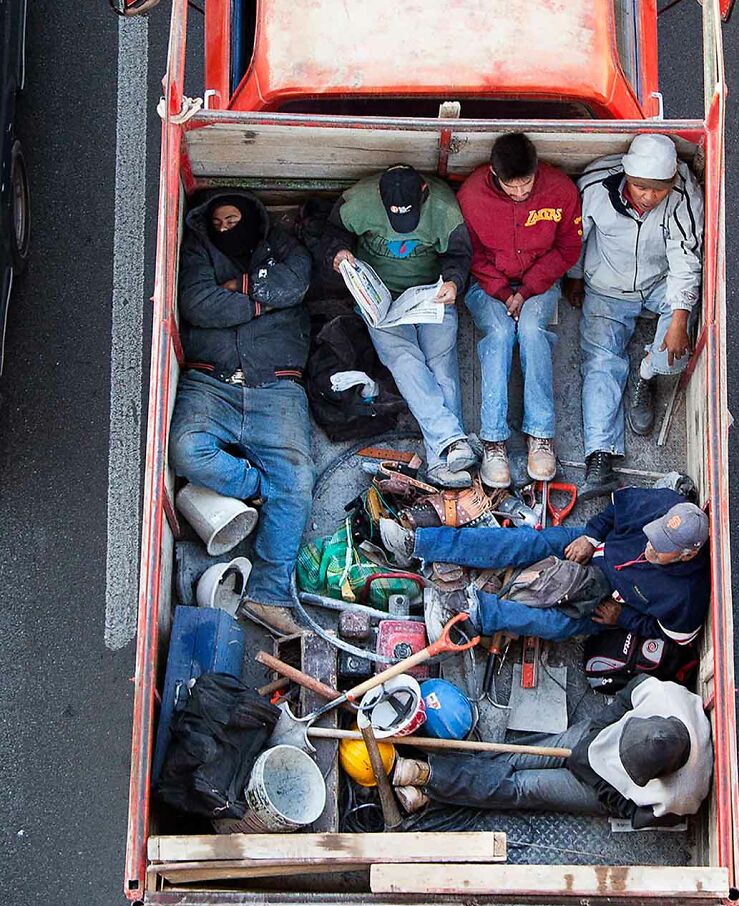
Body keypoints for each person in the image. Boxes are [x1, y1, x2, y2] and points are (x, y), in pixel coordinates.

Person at [168, 191, 314, 637]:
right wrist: (261, 303)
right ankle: (255, 487)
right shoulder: (197, 249)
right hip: (211, 383)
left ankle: (268, 597)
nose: (227, 229)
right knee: (185, 450)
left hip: (277, 386)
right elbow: (197, 305)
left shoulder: (284, 245)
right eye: (220, 224)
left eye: (234, 220)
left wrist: (239, 290)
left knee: (299, 481)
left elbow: (293, 286)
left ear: (251, 217)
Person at [564, 134, 704, 497]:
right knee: (600, 363)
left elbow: (686, 261)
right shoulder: (595, 186)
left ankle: (646, 373)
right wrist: (576, 278)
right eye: (641, 187)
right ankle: (599, 457)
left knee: (676, 349)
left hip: (659, 284)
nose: (647, 197)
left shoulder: (683, 196)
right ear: (627, 176)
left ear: (671, 183)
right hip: (607, 289)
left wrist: (678, 318)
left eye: (657, 190)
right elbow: (576, 238)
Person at [323, 164, 476, 487]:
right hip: (381, 296)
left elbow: (459, 256)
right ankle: (451, 444)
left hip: (430, 293)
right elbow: (332, 233)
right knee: (403, 359)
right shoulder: (358, 201)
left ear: (423, 194)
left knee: (441, 366)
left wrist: (453, 283)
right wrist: (338, 253)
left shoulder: (444, 209)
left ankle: (441, 457)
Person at [390, 675, 713, 820]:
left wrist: (600, 787)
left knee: (522, 787)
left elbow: (633, 814)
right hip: (595, 738)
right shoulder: (664, 696)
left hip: (601, 789)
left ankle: (432, 780)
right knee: (517, 756)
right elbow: (627, 696)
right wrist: (594, 736)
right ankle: (441, 786)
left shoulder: (681, 796)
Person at [413, 487, 710, 645]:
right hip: (597, 548)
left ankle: (474, 610)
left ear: (686, 555)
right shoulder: (663, 503)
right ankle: (424, 543)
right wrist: (591, 537)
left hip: (610, 600)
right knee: (523, 543)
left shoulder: (685, 597)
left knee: (555, 624)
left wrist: (623, 618)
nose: (650, 547)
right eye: (653, 535)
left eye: (661, 549)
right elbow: (616, 510)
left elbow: (674, 636)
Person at [458, 132, 582, 486]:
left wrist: (527, 290)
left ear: (536, 169)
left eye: (526, 184)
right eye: (511, 187)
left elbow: (568, 248)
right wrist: (501, 290)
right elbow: (472, 255)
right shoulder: (470, 196)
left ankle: (541, 436)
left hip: (539, 282)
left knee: (530, 331)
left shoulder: (560, 191)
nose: (520, 193)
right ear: (494, 175)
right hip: (488, 285)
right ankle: (493, 441)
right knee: (498, 334)